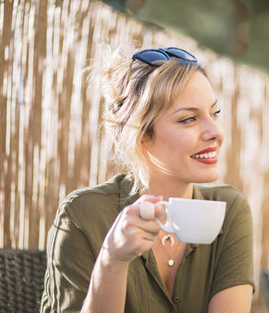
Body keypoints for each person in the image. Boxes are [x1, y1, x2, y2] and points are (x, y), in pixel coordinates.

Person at [40, 47, 255, 313]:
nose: (216, 132)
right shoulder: (83, 215)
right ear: (140, 136)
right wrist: (112, 261)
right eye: (189, 119)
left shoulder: (229, 210)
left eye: (215, 113)